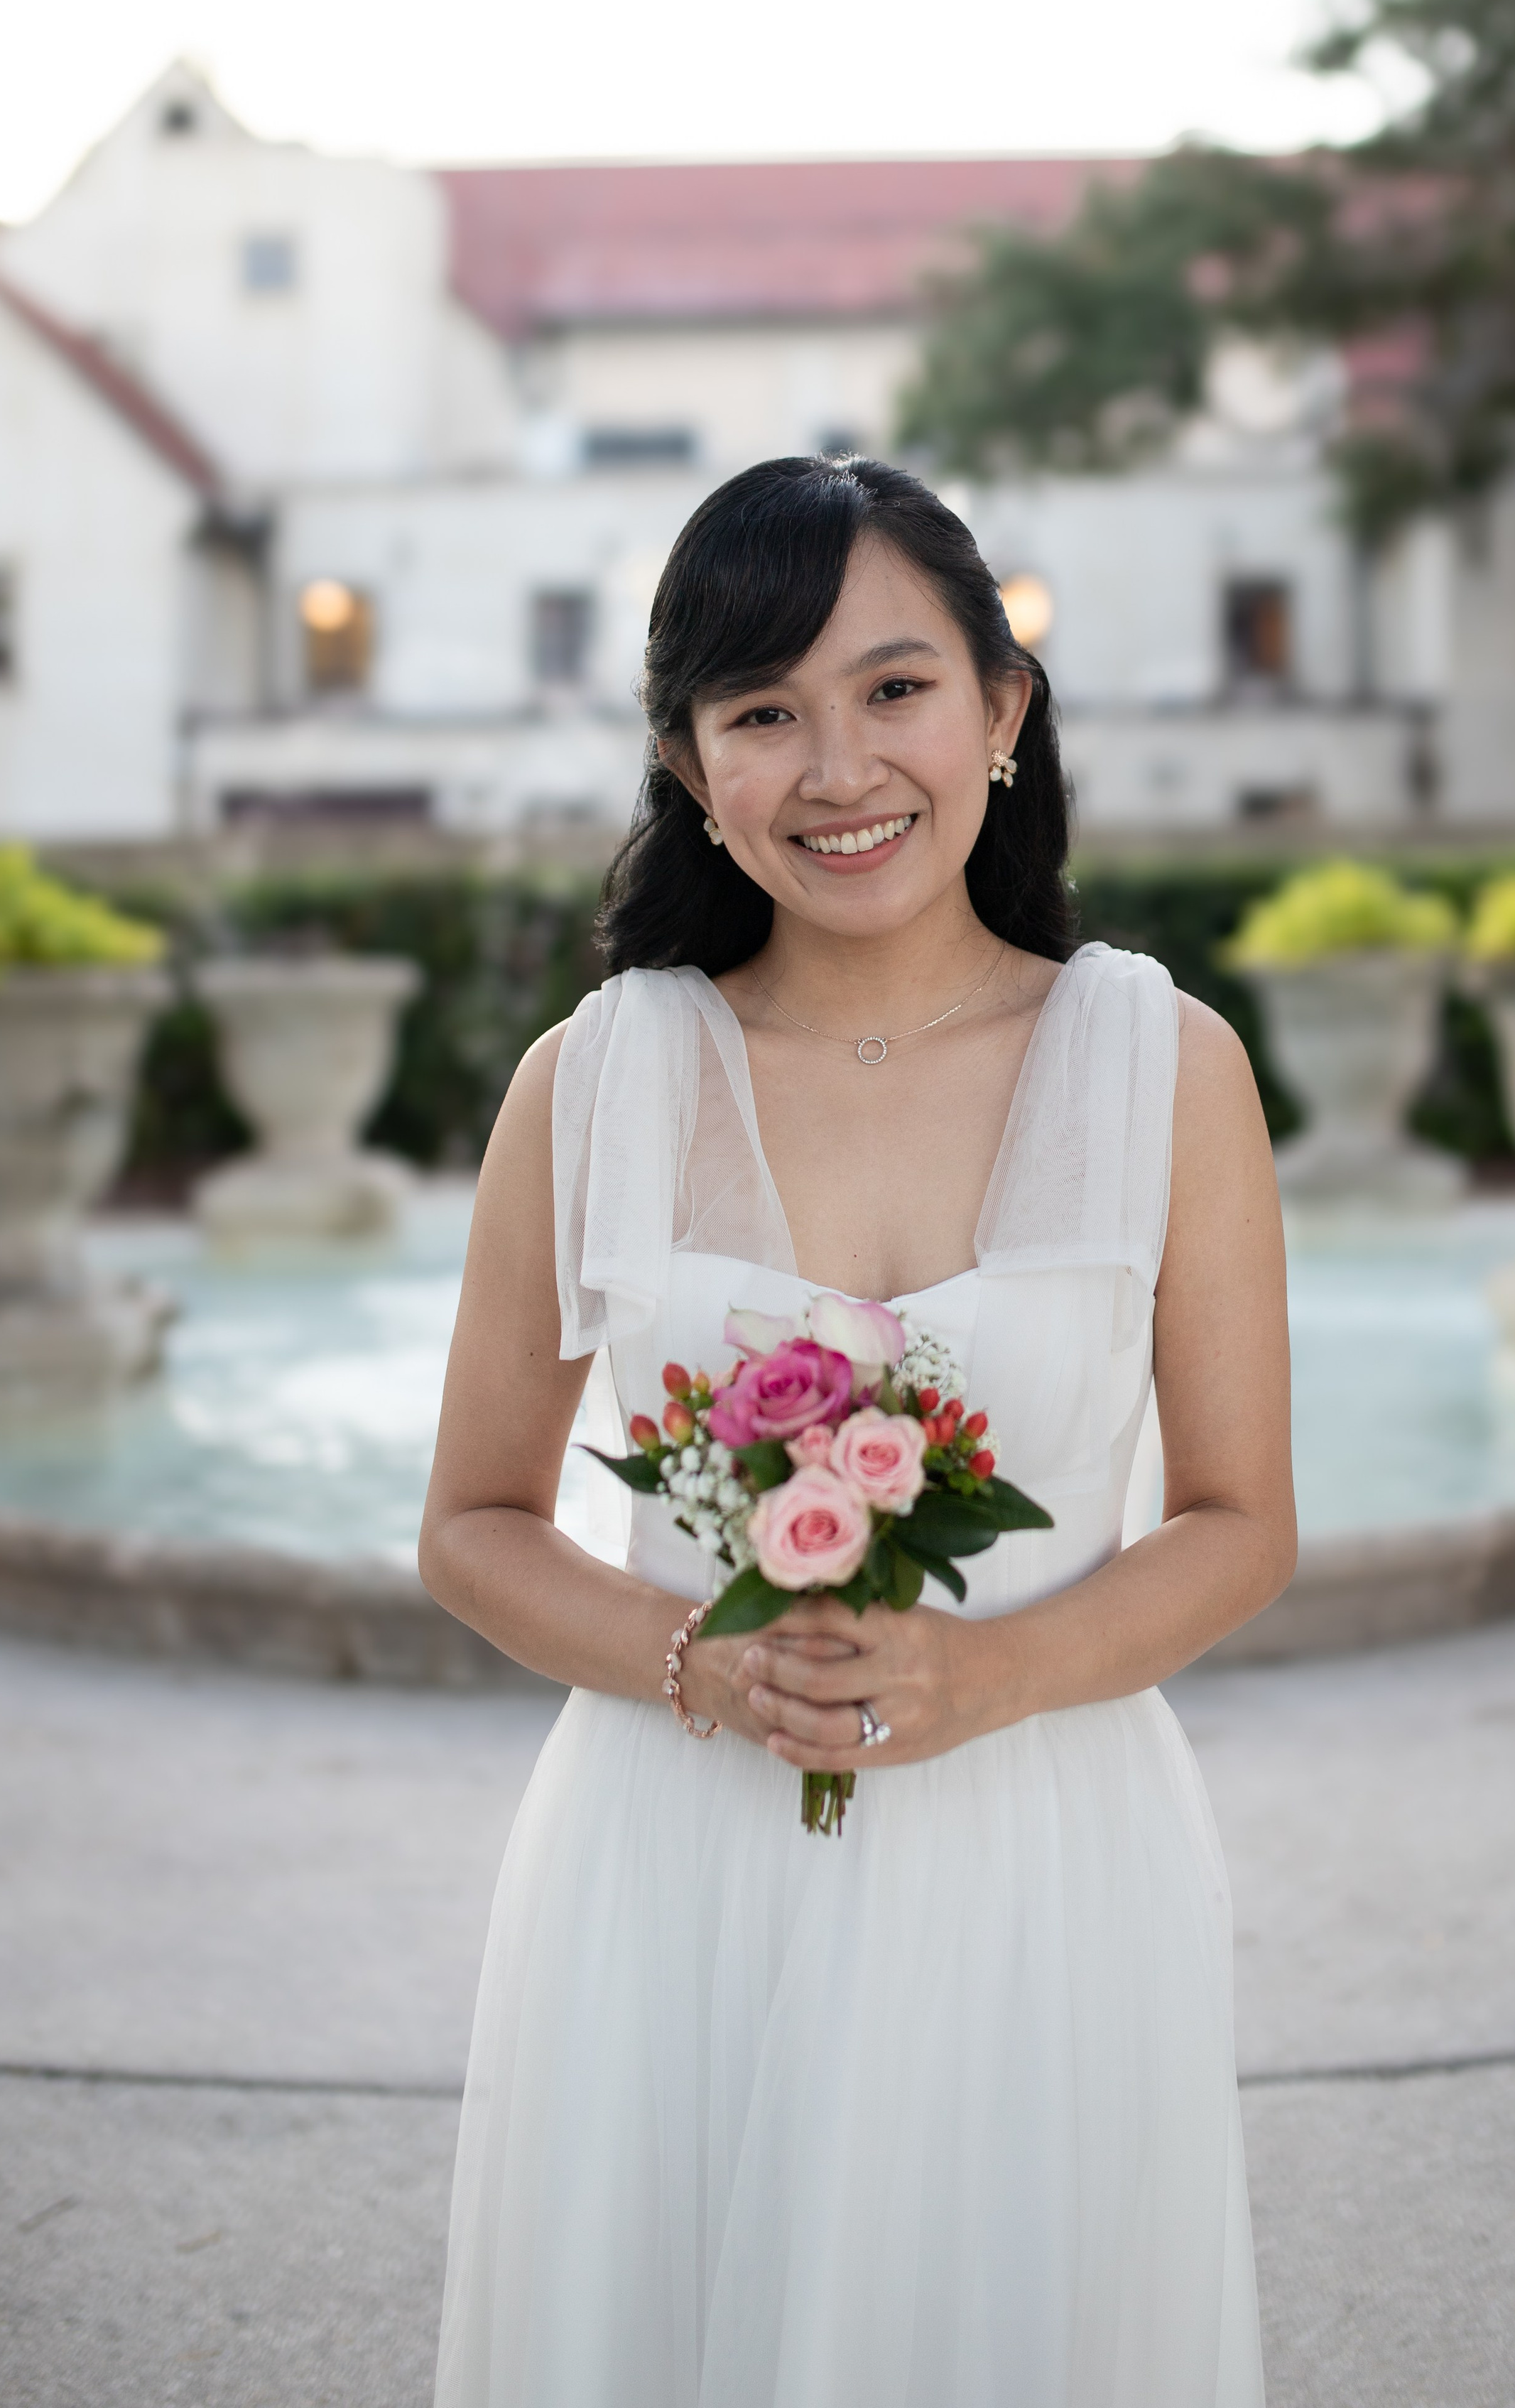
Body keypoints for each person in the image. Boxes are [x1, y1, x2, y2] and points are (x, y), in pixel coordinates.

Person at [420, 455, 1296, 2406]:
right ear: (687, 762)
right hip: (673, 1869)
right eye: (763, 712)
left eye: (896, 689)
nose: (839, 767)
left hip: (1046, 1859)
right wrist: (697, 1664)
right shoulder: (593, 1084)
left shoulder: (1164, 1064)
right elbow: (472, 1521)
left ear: (1005, 712)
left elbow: (1241, 1520)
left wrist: (991, 1674)